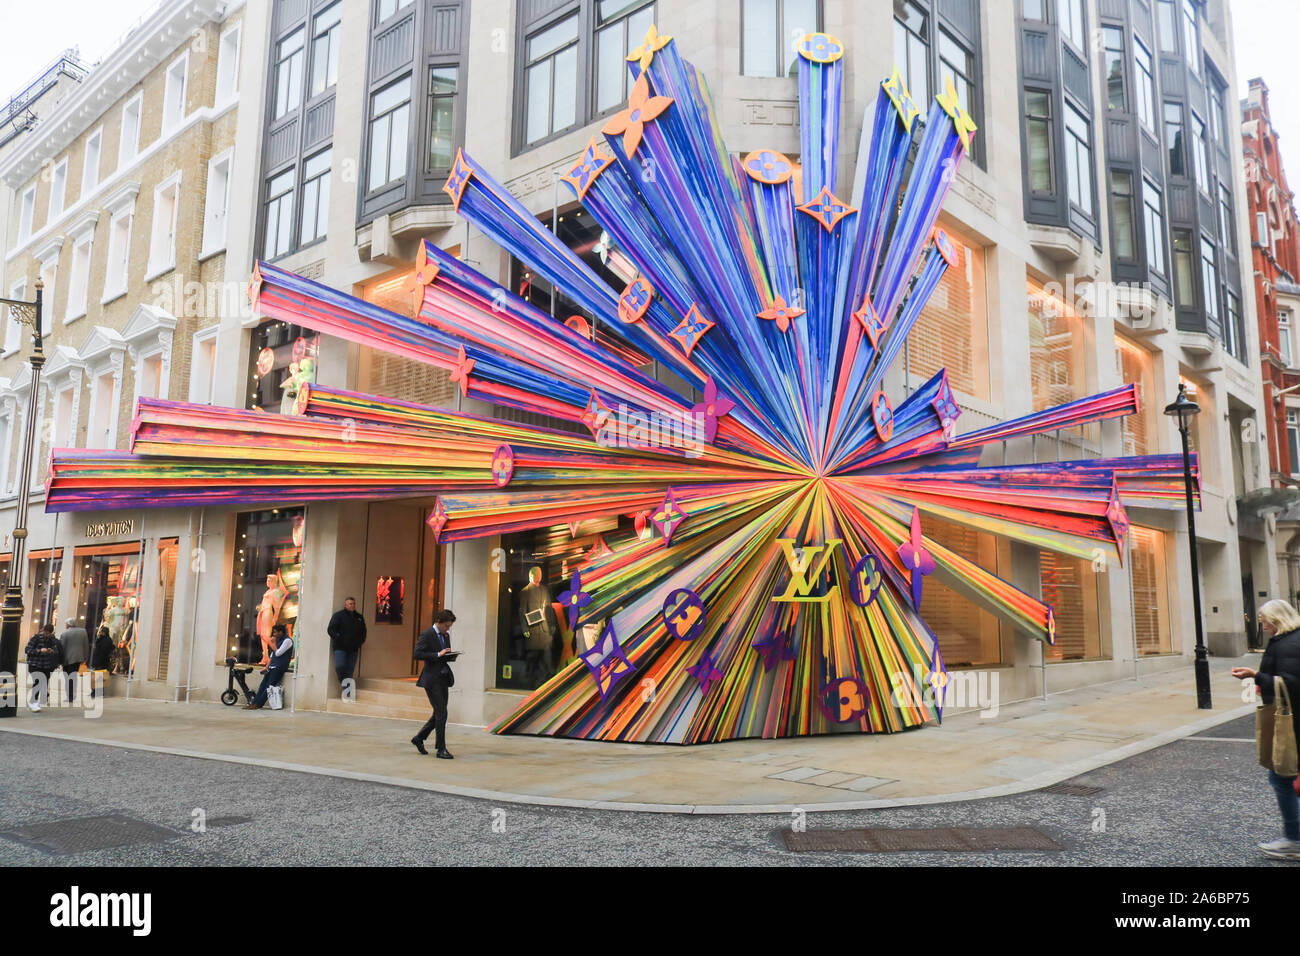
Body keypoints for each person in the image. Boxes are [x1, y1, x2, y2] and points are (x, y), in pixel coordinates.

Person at [1232, 598, 1300, 860]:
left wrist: (1255, 676)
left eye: (1265, 621)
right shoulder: (1288, 640)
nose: (1264, 625)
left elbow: (1292, 683)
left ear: (1278, 619)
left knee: (1280, 777)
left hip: (1292, 722)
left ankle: (1294, 840)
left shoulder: (1288, 644)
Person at [411, 609, 457, 758]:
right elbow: (417, 654)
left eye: (449, 626)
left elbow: (443, 655)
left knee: (439, 713)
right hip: (432, 679)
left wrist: (449, 655)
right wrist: (438, 654)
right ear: (439, 622)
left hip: (443, 677)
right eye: (446, 626)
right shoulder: (427, 634)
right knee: (442, 713)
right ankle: (441, 748)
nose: (447, 629)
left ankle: (419, 738)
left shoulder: (446, 635)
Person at [245, 623, 293, 710]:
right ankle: (254, 703)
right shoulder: (278, 640)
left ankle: (259, 704)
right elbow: (272, 656)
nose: (274, 634)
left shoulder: (287, 641)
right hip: (272, 667)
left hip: (279, 667)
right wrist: (267, 666)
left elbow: (278, 653)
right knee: (262, 686)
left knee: (269, 687)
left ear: (281, 632)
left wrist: (273, 643)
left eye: (275, 632)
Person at [327, 596, 366, 692]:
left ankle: (347, 690)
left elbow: (363, 632)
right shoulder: (338, 616)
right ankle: (344, 683)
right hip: (340, 648)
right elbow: (330, 629)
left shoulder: (359, 617)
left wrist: (360, 642)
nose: (352, 605)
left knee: (350, 669)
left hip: (353, 649)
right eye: (350, 604)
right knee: (340, 666)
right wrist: (338, 637)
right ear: (345, 605)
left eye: (353, 603)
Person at [23, 624, 62, 712]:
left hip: (47, 665)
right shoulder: (35, 637)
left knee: (42, 683)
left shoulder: (52, 639)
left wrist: (51, 651)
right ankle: (33, 702)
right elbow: (27, 650)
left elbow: (57, 650)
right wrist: (39, 650)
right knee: (37, 682)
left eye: (49, 633)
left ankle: (34, 702)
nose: (47, 635)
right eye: (46, 633)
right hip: (35, 664)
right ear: (43, 630)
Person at [58, 618, 89, 706]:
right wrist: (85, 657)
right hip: (79, 658)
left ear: (68, 624)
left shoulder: (65, 633)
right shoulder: (83, 632)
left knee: (68, 677)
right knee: (73, 676)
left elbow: (62, 648)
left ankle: (70, 696)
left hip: (68, 659)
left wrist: (60, 661)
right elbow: (86, 645)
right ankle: (72, 695)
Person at [89, 618, 114, 699]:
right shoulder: (107, 640)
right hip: (103, 662)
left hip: (100, 661)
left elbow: (101, 651)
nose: (100, 633)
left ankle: (96, 693)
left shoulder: (103, 640)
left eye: (101, 631)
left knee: (98, 677)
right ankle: (97, 692)